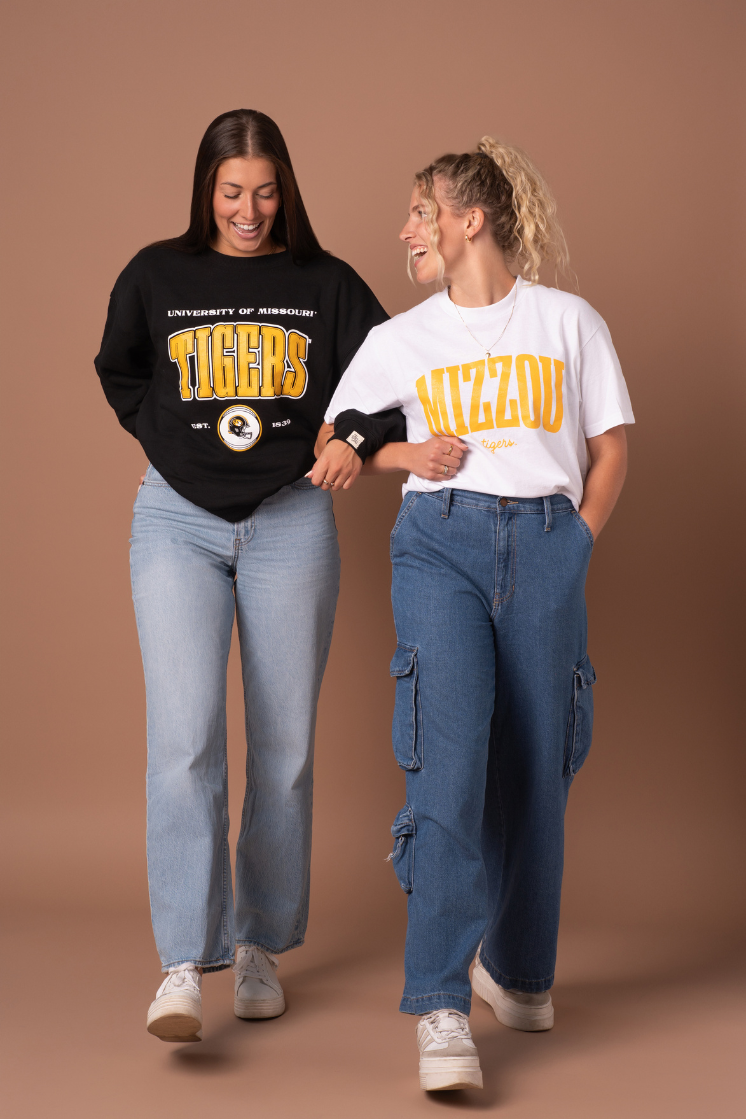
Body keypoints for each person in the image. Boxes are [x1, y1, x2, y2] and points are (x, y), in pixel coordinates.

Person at [311, 137, 634, 1091]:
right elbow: (335, 441)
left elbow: (611, 448)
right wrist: (406, 458)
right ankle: (442, 1004)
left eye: (421, 212)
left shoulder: (568, 321)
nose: (407, 229)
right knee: (448, 767)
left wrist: (574, 543)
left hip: (546, 542)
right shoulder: (399, 340)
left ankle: (519, 971)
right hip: (439, 545)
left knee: (539, 766)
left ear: (469, 219)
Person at [94, 109, 403, 1043]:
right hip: (176, 521)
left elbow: (394, 376)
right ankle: (184, 962)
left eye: (265, 191)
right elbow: (120, 370)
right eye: (232, 192)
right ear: (205, 191)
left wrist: (351, 438)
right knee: (184, 740)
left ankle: (261, 940)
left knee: (286, 745)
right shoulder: (155, 273)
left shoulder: (325, 282)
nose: (248, 209)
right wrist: (170, 438)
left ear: (286, 191)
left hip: (290, 518)